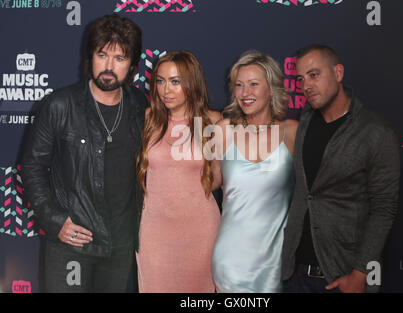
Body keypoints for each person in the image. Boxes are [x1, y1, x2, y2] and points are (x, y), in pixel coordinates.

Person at [21, 14, 148, 292]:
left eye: (119, 58)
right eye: (102, 54)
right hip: (72, 244)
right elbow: (32, 167)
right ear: (90, 58)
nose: (109, 66)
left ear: (133, 66)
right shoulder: (59, 105)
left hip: (120, 244)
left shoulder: (142, 106)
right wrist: (55, 221)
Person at [281, 44, 400, 293]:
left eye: (314, 75)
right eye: (301, 79)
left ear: (338, 72)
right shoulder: (305, 120)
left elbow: (384, 209)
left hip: (340, 275)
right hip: (295, 273)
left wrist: (359, 274)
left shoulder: (376, 133)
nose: (306, 86)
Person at [211, 51, 298, 293]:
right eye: (239, 85)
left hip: (277, 263)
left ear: (271, 89)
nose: (245, 93)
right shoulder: (224, 129)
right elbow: (209, 183)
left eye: (253, 84)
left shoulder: (291, 132)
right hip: (230, 261)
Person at [135, 50, 221, 293]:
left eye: (175, 82)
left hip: (201, 230)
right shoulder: (148, 120)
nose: (166, 90)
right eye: (160, 81)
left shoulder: (212, 122)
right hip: (154, 232)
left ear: (191, 83)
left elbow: (216, 180)